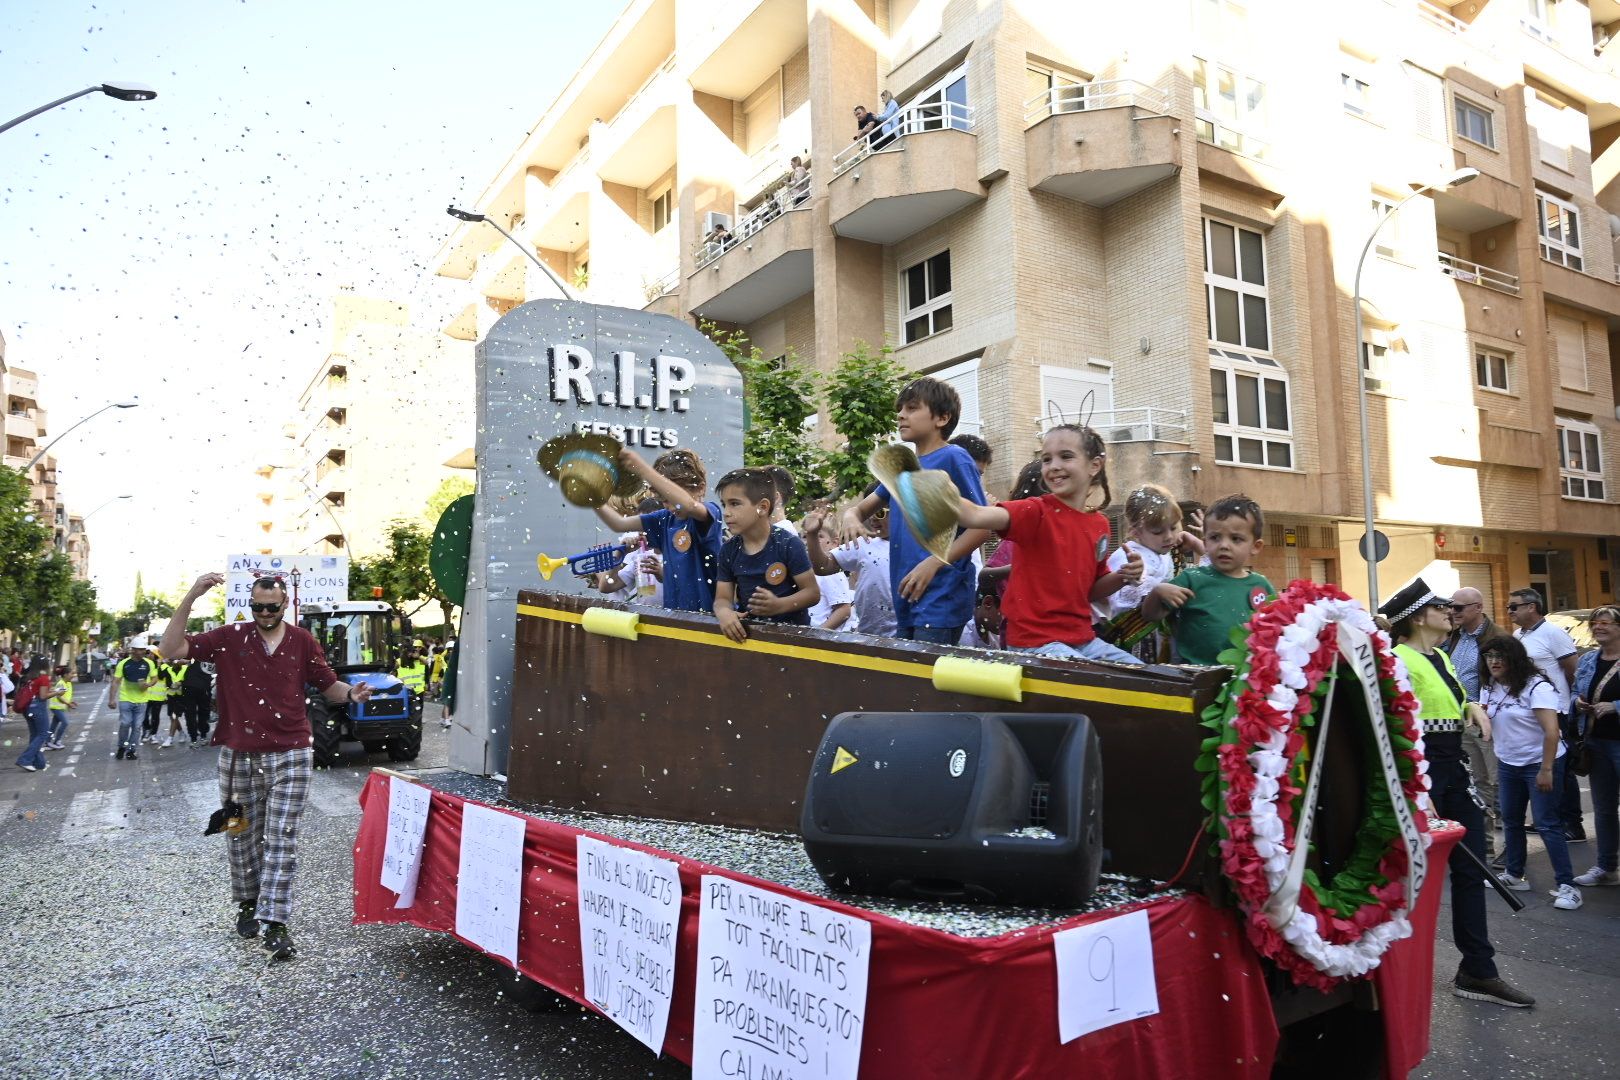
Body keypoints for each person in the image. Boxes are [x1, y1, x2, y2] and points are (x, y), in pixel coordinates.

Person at [160, 574, 373, 961]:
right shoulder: (228, 637)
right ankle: (247, 902)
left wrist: (351, 694)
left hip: (291, 752)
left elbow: (328, 686)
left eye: (272, 607)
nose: (264, 613)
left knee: (282, 836)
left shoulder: (302, 641)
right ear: (250, 604)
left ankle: (275, 923)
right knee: (239, 834)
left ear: (285, 603)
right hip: (237, 755)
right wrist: (192, 594)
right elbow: (170, 649)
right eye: (257, 606)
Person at [1380, 578, 1534, 1007]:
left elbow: (1454, 699)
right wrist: (1414, 783)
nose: (1449, 612)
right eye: (1440, 607)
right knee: (1409, 879)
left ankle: (1478, 970)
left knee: (1473, 871)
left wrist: (1472, 706)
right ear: (1416, 617)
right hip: (1421, 773)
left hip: (1452, 771)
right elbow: (1393, 726)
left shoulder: (1441, 659)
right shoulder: (1396, 660)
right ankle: (1387, 973)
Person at [950, 424, 1144, 665]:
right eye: (1046, 459)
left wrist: (1123, 576)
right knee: (1092, 682)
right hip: (1033, 642)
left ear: (1095, 465)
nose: (1054, 466)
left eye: (1066, 456)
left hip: (1082, 640)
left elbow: (1091, 590)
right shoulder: (1035, 511)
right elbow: (976, 516)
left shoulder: (1100, 526)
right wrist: (934, 487)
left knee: (1143, 675)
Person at [839, 377, 989, 644]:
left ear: (942, 418)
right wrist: (851, 517)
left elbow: (982, 526)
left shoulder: (954, 457)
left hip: (941, 596)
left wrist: (933, 564)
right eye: (900, 409)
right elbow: (860, 509)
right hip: (907, 594)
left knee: (927, 677)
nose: (900, 415)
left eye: (911, 408)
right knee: (913, 678)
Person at [1479, 636, 1582, 909]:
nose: (1494, 662)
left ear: (1515, 658)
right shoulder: (1489, 687)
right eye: (1489, 657)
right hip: (1509, 762)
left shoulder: (1537, 687)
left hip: (1540, 761)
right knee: (1511, 820)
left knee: (1547, 823)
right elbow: (1488, 722)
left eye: (1500, 656)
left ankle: (1567, 886)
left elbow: (1552, 732)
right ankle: (1514, 874)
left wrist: (1546, 769)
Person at [1140, 494, 1275, 666]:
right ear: (1205, 541)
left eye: (1236, 539)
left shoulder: (1261, 586)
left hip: (1245, 681)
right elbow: (1151, 615)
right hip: (1194, 678)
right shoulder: (1191, 579)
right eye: (1215, 537)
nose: (1224, 545)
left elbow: (1275, 632)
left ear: (1256, 546)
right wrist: (1157, 592)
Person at [589, 448, 723, 614]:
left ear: (701, 488)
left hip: (709, 619)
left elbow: (688, 505)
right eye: (664, 500)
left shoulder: (711, 512)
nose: (671, 506)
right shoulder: (665, 520)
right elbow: (619, 524)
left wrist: (641, 468)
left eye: (673, 498)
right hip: (674, 618)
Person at [1508, 588, 1585, 842]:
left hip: (1556, 709)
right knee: (1540, 766)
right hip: (1530, 711)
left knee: (1562, 769)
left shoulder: (1553, 633)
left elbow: (1573, 671)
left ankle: (1573, 824)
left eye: (1514, 606)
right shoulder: (1518, 635)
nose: (1510, 611)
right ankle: (1548, 818)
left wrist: (1571, 703)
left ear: (1532, 607)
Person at [712, 468, 819, 642]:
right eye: (724, 504)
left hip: (793, 641)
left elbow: (812, 593)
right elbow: (722, 598)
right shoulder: (728, 550)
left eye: (735, 503)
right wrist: (724, 612)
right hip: (752, 639)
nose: (726, 512)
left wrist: (779, 605)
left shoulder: (788, 544)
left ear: (762, 507)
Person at [1446, 587, 1515, 861]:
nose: (1452, 612)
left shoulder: (1498, 637)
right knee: (1476, 784)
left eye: (1458, 608)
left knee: (1501, 784)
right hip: (1463, 719)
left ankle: (1513, 849)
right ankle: (1484, 845)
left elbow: (1511, 680)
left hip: (1488, 719)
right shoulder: (1454, 636)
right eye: (1451, 607)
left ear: (1478, 607)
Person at [1098, 484, 1204, 661]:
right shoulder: (1128, 555)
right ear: (1135, 531)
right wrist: (1145, 581)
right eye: (1158, 531)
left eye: (1173, 527)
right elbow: (1138, 590)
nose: (1169, 536)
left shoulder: (1167, 552)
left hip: (1167, 638)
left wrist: (1195, 543)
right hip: (1139, 643)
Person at [1573, 605, 1620, 888]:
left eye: (1605, 622)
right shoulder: (1588, 659)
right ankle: (1606, 867)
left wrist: (1614, 706)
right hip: (1596, 742)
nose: (1598, 626)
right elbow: (1574, 692)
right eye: (1595, 622)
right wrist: (1578, 703)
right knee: (1603, 809)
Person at [806, 494, 894, 639]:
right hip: (867, 634)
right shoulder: (864, 543)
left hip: (901, 634)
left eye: (880, 512)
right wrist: (812, 534)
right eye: (869, 513)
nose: (873, 518)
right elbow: (822, 567)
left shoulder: (911, 547)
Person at [979, 460, 1046, 600]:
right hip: (1019, 615)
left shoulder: (1068, 532)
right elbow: (984, 577)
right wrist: (1012, 568)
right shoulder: (1017, 538)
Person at [799, 514, 853, 630]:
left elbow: (844, 610)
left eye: (819, 536)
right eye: (805, 536)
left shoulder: (831, 573)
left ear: (834, 543)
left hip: (820, 641)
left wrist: (819, 632)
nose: (809, 540)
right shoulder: (804, 569)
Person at [110, 637, 159, 761]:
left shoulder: (149, 663)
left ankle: (131, 750)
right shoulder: (123, 664)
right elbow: (115, 681)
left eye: (143, 649)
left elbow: (154, 678)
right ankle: (122, 746)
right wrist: (112, 699)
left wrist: (148, 684)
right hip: (126, 699)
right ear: (133, 650)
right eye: (139, 650)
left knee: (137, 727)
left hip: (142, 701)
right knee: (125, 724)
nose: (142, 652)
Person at [13, 658, 58, 772]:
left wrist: (50, 690)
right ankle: (25, 759)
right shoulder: (43, 678)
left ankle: (39, 763)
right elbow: (42, 696)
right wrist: (57, 692)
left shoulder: (29, 677)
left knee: (34, 735)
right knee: (42, 734)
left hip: (27, 709)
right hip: (38, 708)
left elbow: (36, 692)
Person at [181, 656, 213, 746]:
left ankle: (194, 738)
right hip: (201, 686)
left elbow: (181, 660)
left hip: (190, 685)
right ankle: (201, 736)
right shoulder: (209, 654)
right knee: (202, 712)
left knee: (191, 712)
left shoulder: (194, 652)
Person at [45, 664, 75, 750]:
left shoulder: (68, 683)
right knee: (65, 722)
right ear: (65, 675)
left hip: (60, 707)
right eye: (71, 674)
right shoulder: (61, 683)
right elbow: (59, 696)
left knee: (53, 726)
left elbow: (65, 696)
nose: (72, 675)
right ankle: (57, 741)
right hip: (56, 707)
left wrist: (70, 702)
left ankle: (48, 741)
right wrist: (68, 704)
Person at [161, 656, 188, 747]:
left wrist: (181, 683)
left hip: (182, 697)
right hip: (171, 696)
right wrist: (161, 663)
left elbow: (190, 680)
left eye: (178, 659)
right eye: (173, 660)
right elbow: (161, 677)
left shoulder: (186, 668)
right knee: (172, 717)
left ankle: (170, 738)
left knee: (175, 716)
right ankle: (181, 732)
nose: (176, 662)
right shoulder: (168, 669)